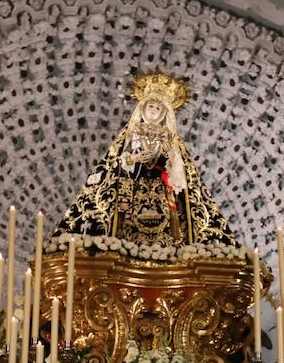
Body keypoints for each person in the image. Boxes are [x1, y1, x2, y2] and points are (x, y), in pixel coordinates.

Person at [55, 72, 238, 248]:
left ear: (164, 113)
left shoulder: (169, 137)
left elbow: (180, 170)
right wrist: (133, 158)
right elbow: (117, 161)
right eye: (151, 106)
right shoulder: (132, 133)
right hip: (134, 186)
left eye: (158, 108)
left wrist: (171, 161)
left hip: (161, 189)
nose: (153, 110)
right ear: (142, 107)